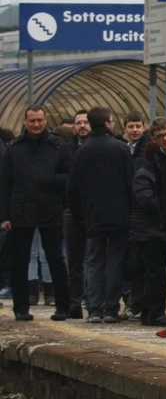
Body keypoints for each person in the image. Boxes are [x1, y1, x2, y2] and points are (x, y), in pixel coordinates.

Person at [0, 105, 71, 322]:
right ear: (25, 121)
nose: (37, 124)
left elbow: (69, 178)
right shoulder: (14, 149)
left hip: (50, 208)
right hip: (21, 210)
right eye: (32, 121)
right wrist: (4, 216)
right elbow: (5, 184)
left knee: (56, 259)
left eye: (40, 120)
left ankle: (63, 307)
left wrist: (50, 179)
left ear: (45, 119)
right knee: (20, 261)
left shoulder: (58, 146)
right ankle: (21, 308)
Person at [67, 107, 133, 324]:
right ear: (107, 124)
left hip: (92, 215)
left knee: (94, 261)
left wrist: (79, 215)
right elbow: (130, 182)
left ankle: (95, 308)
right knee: (115, 261)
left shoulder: (81, 152)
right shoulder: (121, 149)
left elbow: (72, 188)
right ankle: (112, 309)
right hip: (119, 214)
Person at [129, 121, 166, 327]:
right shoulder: (145, 175)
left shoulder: (149, 174)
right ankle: (154, 313)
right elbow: (146, 202)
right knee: (155, 273)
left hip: (151, 231)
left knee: (152, 273)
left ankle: (149, 313)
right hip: (148, 231)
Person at [62, 110, 91, 319]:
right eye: (79, 122)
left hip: (93, 210)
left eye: (86, 122)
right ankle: (75, 303)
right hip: (71, 210)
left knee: (95, 259)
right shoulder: (66, 151)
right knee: (74, 260)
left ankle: (92, 299)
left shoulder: (96, 148)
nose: (82, 126)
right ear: (74, 126)